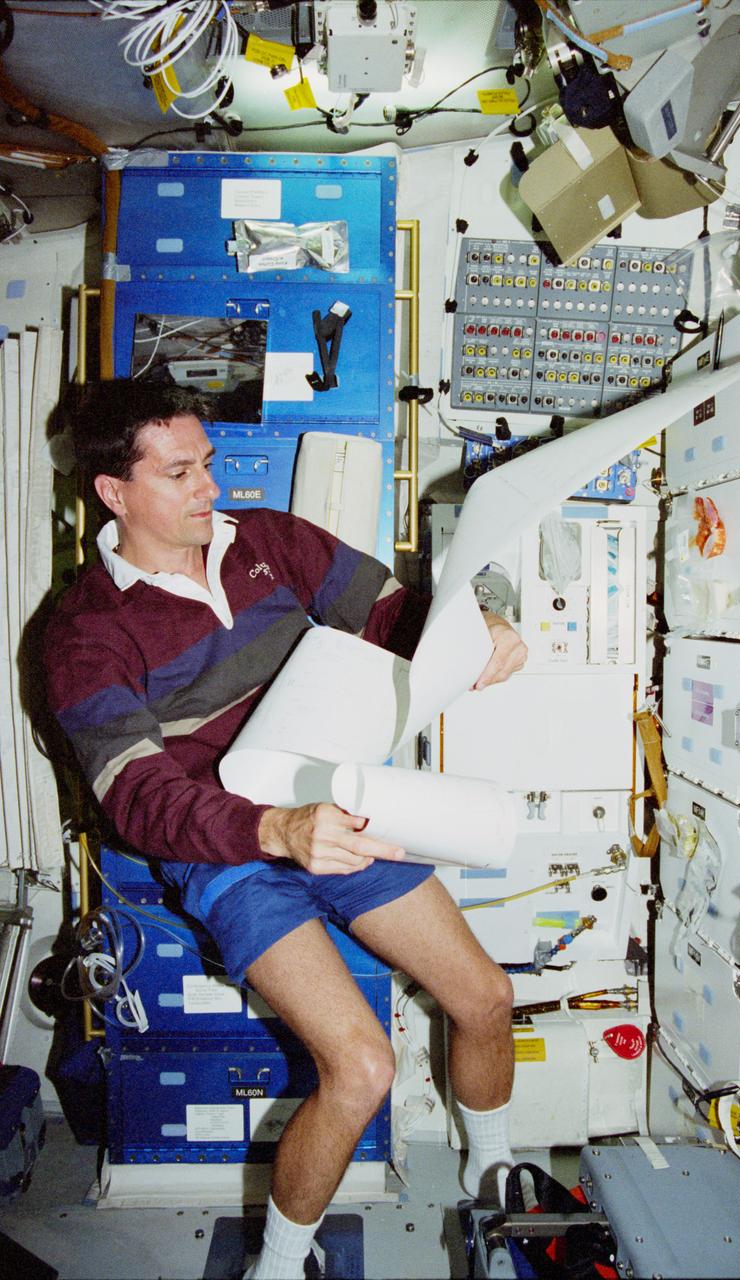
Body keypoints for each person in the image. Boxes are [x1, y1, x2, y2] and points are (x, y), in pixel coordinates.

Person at [45, 380, 528, 1280]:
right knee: (361, 1067)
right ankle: (278, 1263)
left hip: (339, 799)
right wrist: (275, 828)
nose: (207, 488)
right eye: (180, 472)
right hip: (229, 850)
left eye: (209, 464)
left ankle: (491, 1167)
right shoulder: (83, 632)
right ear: (114, 492)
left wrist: (476, 631)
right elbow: (140, 799)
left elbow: (392, 614)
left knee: (486, 997)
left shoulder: (268, 541)